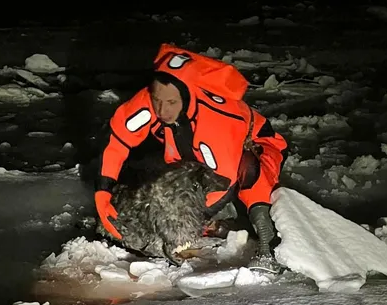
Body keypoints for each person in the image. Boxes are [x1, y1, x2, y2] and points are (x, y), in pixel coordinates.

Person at [94, 43, 288, 270]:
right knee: (155, 177)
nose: (162, 110)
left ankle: (267, 241)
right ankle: (221, 221)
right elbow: (117, 140)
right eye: (157, 100)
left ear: (186, 97)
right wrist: (103, 190)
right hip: (189, 151)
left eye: (171, 103)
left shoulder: (216, 121)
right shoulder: (156, 99)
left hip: (256, 148)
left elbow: (221, 182)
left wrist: (182, 216)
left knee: (248, 170)